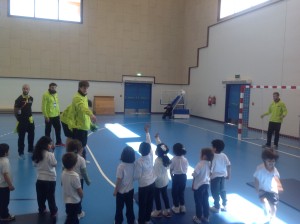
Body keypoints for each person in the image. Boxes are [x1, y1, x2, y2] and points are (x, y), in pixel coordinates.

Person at [134, 125, 156, 224]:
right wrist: (147, 133)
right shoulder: (151, 154)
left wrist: (132, 178)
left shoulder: (139, 162)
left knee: (142, 204)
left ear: (140, 151)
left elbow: (138, 176)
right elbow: (149, 143)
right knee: (150, 202)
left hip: (144, 186)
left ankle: (141, 221)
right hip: (152, 183)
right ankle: (147, 219)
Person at [254, 149, 283, 224]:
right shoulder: (260, 169)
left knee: (273, 205)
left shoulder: (275, 170)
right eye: (269, 161)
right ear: (265, 161)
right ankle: (265, 209)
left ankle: (272, 216)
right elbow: (256, 178)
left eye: (273, 161)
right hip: (262, 189)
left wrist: (279, 186)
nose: (271, 163)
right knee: (263, 201)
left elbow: (276, 179)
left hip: (272, 190)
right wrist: (257, 188)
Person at [31, 136, 58, 218]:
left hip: (40, 179)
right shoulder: (50, 154)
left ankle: (42, 209)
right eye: (50, 144)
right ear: (46, 145)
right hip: (50, 179)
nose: (51, 145)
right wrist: (52, 153)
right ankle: (53, 211)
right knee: (51, 196)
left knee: (40, 196)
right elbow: (54, 164)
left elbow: (34, 164)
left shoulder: (36, 153)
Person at [71, 80, 97, 159]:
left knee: (83, 145)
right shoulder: (77, 98)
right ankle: (77, 161)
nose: (85, 89)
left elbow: (85, 114)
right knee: (78, 146)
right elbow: (83, 108)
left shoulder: (84, 96)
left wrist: (90, 124)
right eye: (84, 88)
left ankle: (82, 160)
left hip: (84, 126)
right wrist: (91, 114)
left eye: (86, 88)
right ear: (80, 87)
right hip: (78, 126)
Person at [66, 139, 91, 220]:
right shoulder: (81, 159)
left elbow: (64, 169)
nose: (83, 148)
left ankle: (68, 211)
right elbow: (84, 172)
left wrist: (62, 182)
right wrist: (88, 181)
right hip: (78, 180)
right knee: (78, 197)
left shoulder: (67, 157)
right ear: (78, 149)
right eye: (81, 147)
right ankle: (79, 212)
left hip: (67, 179)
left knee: (69, 195)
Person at [151, 133, 172, 218]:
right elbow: (161, 146)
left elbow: (156, 175)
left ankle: (158, 211)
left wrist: (151, 181)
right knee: (165, 195)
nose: (155, 150)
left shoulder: (158, 162)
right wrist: (157, 138)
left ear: (157, 153)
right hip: (165, 181)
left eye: (156, 149)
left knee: (157, 196)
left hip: (158, 183)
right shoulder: (165, 158)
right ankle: (167, 210)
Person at [113, 146, 136, 224]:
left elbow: (119, 180)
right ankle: (131, 221)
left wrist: (115, 191)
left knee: (119, 208)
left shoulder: (121, 166)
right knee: (130, 207)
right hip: (130, 190)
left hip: (121, 192)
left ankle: (118, 221)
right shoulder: (133, 165)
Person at [192, 148, 214, 224]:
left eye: (200, 153)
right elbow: (211, 173)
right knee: (205, 201)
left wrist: (193, 174)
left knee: (198, 202)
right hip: (206, 185)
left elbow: (195, 174)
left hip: (198, 186)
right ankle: (206, 216)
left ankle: (198, 217)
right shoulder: (210, 163)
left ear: (204, 156)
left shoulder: (200, 164)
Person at [61, 152, 83, 224]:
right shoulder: (75, 176)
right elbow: (79, 189)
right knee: (72, 219)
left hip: (67, 200)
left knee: (72, 217)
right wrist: (81, 195)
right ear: (74, 164)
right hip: (75, 201)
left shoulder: (63, 173)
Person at [210, 139, 231, 213]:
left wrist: (208, 177)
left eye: (212, 147)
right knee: (223, 190)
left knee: (215, 191)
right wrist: (229, 174)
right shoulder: (224, 155)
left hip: (215, 177)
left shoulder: (213, 157)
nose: (211, 148)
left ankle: (216, 206)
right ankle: (224, 205)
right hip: (223, 176)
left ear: (215, 148)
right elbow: (228, 165)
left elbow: (211, 168)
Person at [14, 84, 35, 159]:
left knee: (31, 135)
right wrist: (19, 119)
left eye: (27, 89)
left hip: (30, 120)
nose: (25, 90)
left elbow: (29, 108)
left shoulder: (31, 98)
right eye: (24, 88)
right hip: (22, 120)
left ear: (29, 90)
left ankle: (30, 149)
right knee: (21, 137)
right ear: (22, 89)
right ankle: (21, 152)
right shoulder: (18, 99)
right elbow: (16, 111)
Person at [42, 83, 65, 147]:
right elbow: (44, 106)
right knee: (48, 130)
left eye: (55, 87)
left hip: (56, 116)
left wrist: (58, 113)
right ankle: (47, 143)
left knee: (58, 129)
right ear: (49, 87)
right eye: (52, 87)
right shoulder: (45, 95)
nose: (53, 89)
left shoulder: (56, 94)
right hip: (49, 116)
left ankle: (58, 142)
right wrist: (46, 116)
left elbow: (57, 104)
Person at [170, 142, 189, 214]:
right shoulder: (185, 159)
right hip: (184, 177)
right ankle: (182, 206)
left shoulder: (173, 159)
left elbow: (171, 169)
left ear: (174, 151)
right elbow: (186, 168)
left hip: (176, 177)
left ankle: (176, 207)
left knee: (174, 192)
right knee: (181, 192)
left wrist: (172, 176)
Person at [0, 143, 15, 222]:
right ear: (5, 152)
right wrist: (10, 185)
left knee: (1, 201)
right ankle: (4, 216)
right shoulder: (5, 161)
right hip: (4, 185)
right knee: (5, 201)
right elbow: (5, 174)